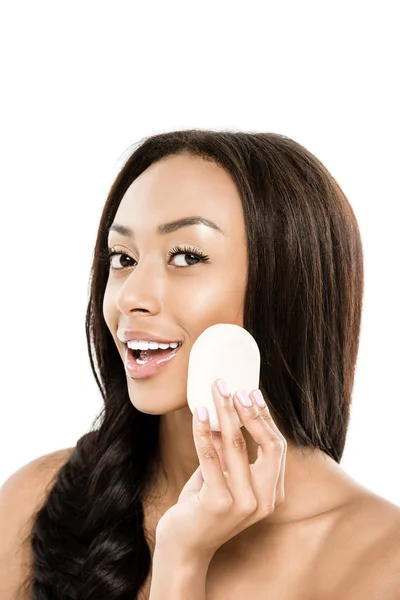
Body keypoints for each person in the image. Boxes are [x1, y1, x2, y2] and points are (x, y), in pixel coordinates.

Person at [1, 129, 399, 600]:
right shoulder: (34, 501)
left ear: (287, 290)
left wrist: (183, 561)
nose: (131, 296)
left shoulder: (380, 560)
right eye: (123, 257)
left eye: (186, 257)